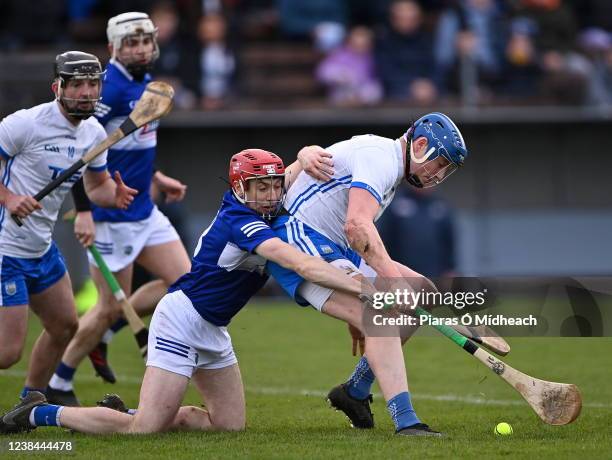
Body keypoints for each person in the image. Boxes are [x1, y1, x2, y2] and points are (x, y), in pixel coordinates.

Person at [0, 148, 386, 436]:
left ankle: (129, 412)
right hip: (182, 319)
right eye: (260, 187)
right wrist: (358, 286)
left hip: (213, 329)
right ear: (241, 188)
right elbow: (300, 264)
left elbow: (289, 172)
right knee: (145, 432)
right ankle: (40, 410)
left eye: (273, 185)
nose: (270, 194)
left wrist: (303, 155)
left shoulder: (262, 199)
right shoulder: (241, 221)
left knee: (228, 427)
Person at [266, 112, 468, 433]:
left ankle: (355, 392)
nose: (439, 174)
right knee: (381, 314)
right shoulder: (381, 159)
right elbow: (357, 225)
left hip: (333, 247)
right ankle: (407, 422)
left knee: (424, 291)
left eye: (446, 169)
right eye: (440, 163)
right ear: (420, 144)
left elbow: (355, 235)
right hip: (300, 238)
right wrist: (392, 282)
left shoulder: (388, 164)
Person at [46, 12, 191, 406]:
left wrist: (156, 177)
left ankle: (107, 335)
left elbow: (125, 146)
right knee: (108, 306)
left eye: (145, 41)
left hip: (145, 209)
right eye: (131, 43)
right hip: (112, 217)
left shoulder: (144, 84)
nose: (141, 48)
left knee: (187, 282)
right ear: (112, 48)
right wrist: (85, 211)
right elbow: (81, 155)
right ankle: (57, 383)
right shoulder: (105, 92)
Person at [0, 51, 137, 402]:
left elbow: (96, 186)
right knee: (6, 353)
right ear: (57, 87)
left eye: (93, 84)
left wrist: (114, 194)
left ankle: (29, 401)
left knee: (65, 326)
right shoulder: (25, 124)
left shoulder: (93, 132)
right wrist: (9, 198)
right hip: (6, 249)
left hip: (41, 247)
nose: (87, 92)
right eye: (78, 84)